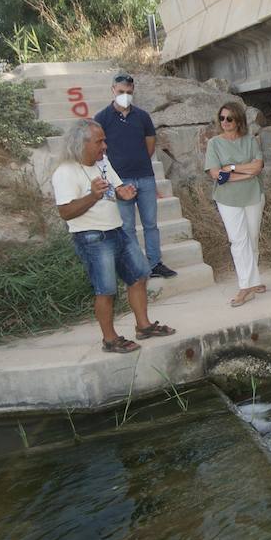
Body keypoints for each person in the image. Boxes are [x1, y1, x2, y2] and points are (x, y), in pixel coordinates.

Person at [52, 118, 176, 353]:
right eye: (100, 141)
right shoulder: (65, 172)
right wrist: (92, 196)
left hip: (117, 229)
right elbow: (65, 212)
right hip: (92, 238)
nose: (105, 146)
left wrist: (124, 193)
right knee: (105, 290)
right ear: (82, 144)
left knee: (139, 275)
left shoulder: (102, 163)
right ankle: (110, 340)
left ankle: (144, 326)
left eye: (104, 140)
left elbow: (116, 189)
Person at [94, 72, 177, 279]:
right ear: (113, 90)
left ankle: (155, 263)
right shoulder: (102, 118)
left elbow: (150, 143)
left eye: (129, 92)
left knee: (151, 224)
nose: (125, 95)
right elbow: (98, 149)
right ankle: (136, 265)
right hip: (121, 181)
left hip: (145, 177)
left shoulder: (142, 116)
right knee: (128, 226)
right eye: (121, 92)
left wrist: (139, 162)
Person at [205, 102, 266, 307]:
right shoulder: (214, 143)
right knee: (238, 240)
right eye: (221, 118)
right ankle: (245, 286)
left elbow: (257, 168)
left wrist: (231, 168)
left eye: (229, 118)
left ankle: (254, 279)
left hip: (253, 195)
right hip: (227, 199)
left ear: (238, 119)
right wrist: (245, 173)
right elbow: (216, 174)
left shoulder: (250, 141)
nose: (225, 122)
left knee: (252, 236)